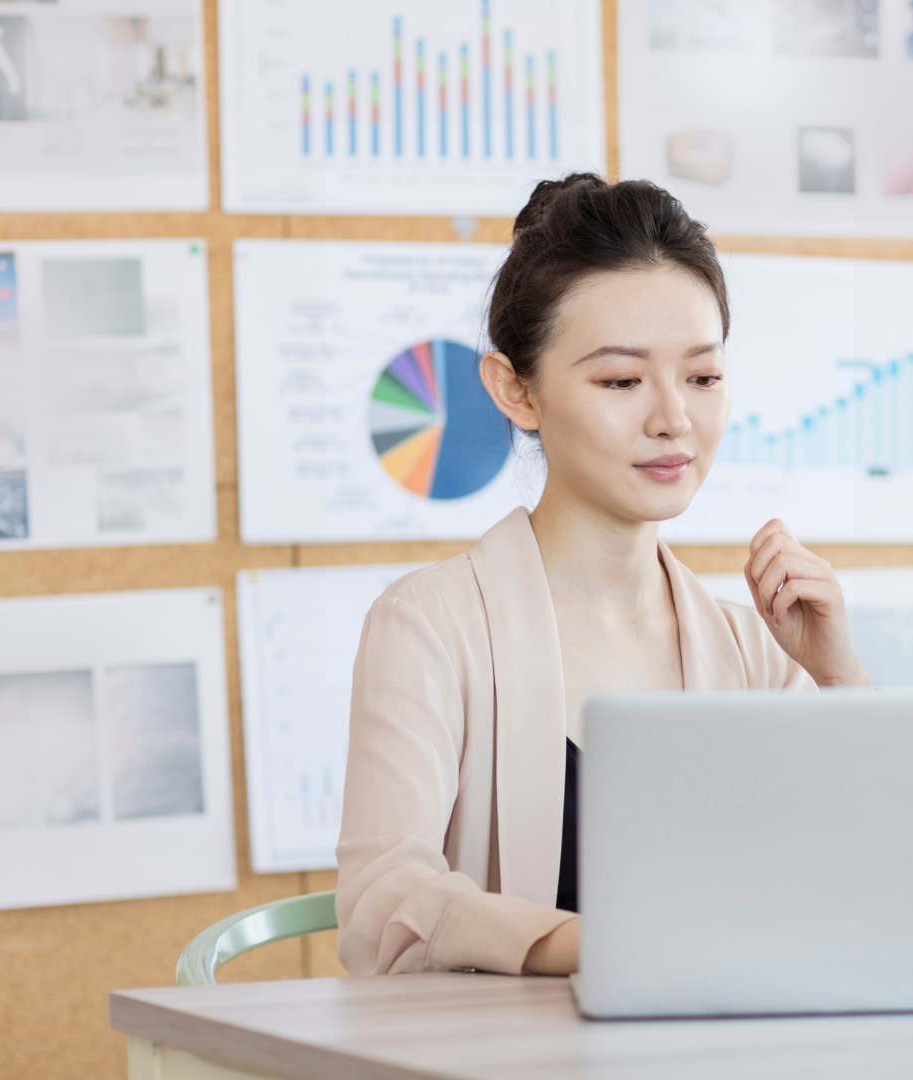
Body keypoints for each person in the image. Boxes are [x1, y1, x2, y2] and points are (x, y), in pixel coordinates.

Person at [334, 176, 870, 977]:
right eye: (621, 381)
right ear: (516, 390)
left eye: (703, 377)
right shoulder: (430, 623)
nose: (673, 419)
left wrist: (839, 675)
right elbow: (382, 904)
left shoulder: (750, 643)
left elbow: (870, 881)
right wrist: (599, 946)